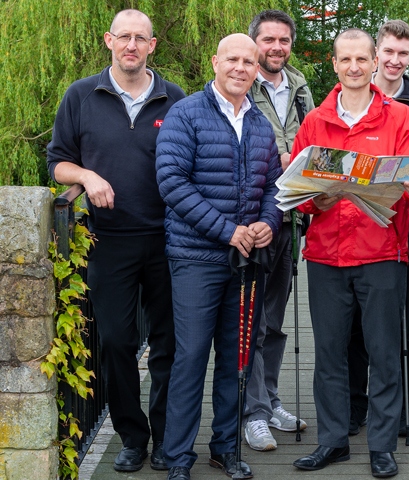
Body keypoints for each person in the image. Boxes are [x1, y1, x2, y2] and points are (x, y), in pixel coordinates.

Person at [290, 28, 409, 479]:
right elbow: (297, 194)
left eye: (361, 59)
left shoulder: (400, 118)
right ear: (334, 64)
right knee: (330, 353)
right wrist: (319, 198)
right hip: (326, 255)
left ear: (375, 62)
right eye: (344, 60)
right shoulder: (315, 121)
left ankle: (381, 444)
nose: (353, 67)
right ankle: (332, 441)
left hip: (381, 253)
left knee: (384, 352)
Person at [46, 9, 185, 473]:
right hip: (108, 239)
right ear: (109, 40)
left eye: (140, 38)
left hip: (169, 238)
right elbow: (59, 163)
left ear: (151, 46)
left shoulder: (175, 99)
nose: (131, 45)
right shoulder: (81, 95)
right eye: (123, 36)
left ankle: (167, 437)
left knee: (168, 343)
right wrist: (86, 176)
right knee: (118, 342)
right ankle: (132, 435)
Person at [155, 33, 283, 480]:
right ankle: (178, 458)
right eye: (233, 59)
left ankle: (224, 448)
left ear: (256, 68)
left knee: (236, 358)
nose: (241, 68)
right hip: (196, 258)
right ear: (215, 61)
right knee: (190, 358)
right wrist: (229, 231)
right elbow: (171, 182)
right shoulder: (185, 114)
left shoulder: (262, 124)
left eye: (249, 61)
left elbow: (274, 187)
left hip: (247, 264)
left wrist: (269, 222)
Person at [347, 19, 409, 438]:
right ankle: (355, 404)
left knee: (401, 320)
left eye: (404, 54)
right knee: (353, 325)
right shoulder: (356, 96)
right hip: (350, 229)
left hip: (399, 231)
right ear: (376, 54)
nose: (395, 60)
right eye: (389, 52)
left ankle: (403, 404)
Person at [242, 9, 315, 452]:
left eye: (283, 40)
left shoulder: (302, 89)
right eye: (268, 40)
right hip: (250, 222)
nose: (276, 48)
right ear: (255, 44)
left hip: (290, 219)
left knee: (275, 319)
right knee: (250, 321)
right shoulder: (239, 81)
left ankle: (268, 400)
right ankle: (251, 412)